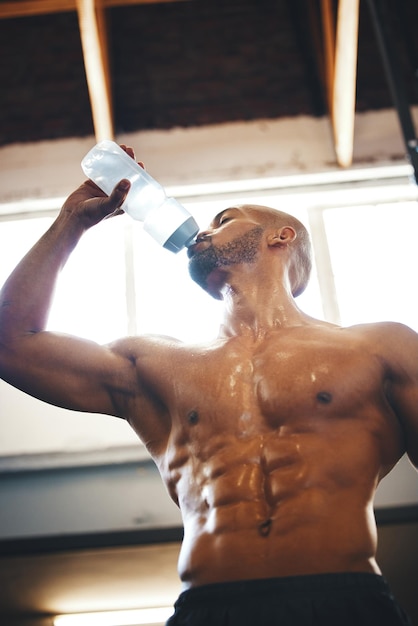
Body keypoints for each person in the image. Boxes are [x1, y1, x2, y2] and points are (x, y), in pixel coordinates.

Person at [0, 145, 416, 626]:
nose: (203, 229)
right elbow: (13, 344)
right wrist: (71, 220)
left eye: (225, 219)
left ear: (281, 237)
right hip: (209, 608)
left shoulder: (379, 347)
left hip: (347, 601)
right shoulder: (156, 363)